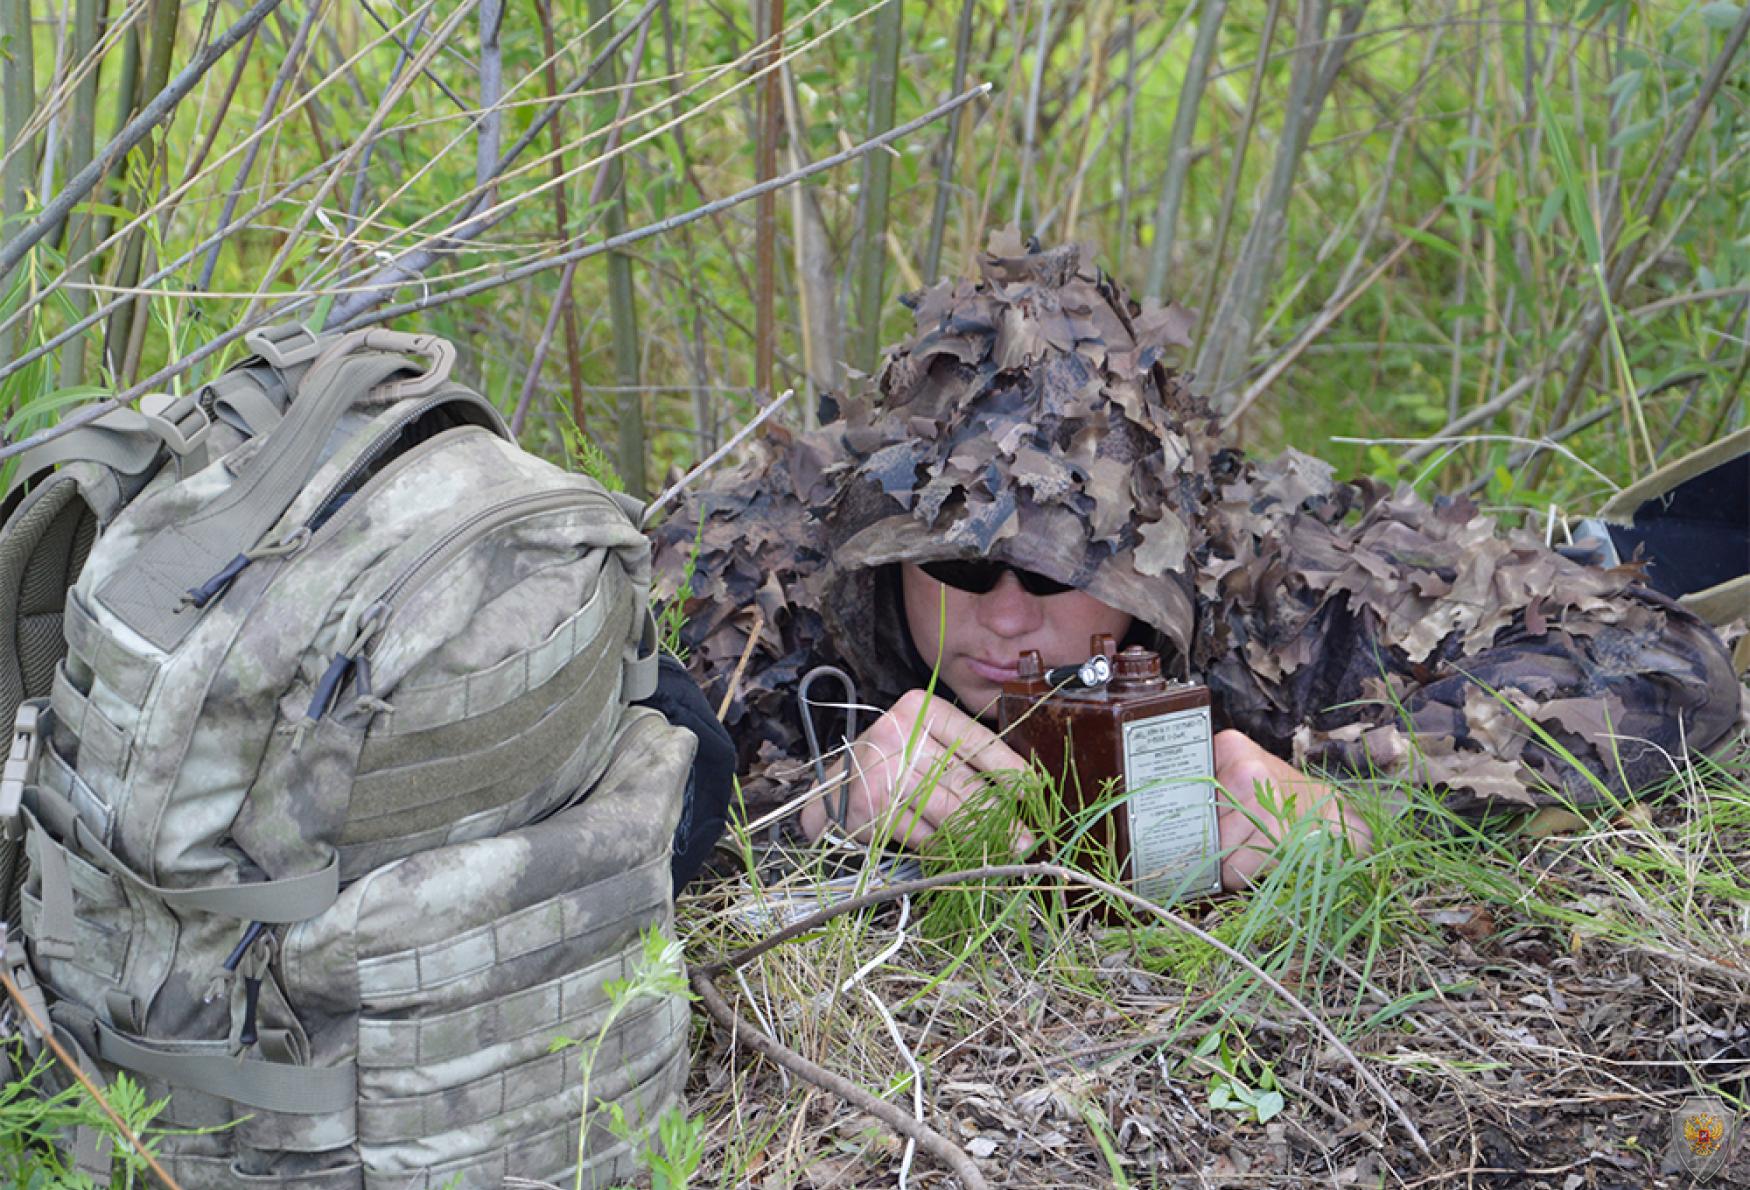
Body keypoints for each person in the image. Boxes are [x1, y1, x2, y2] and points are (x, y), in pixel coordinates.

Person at [653, 235, 1743, 890]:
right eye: (961, 572)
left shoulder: (1266, 573)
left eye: (1047, 578)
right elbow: (575, 734)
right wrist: (811, 808)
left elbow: (1658, 658)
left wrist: (1351, 797)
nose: (1003, 622)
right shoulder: (773, 569)